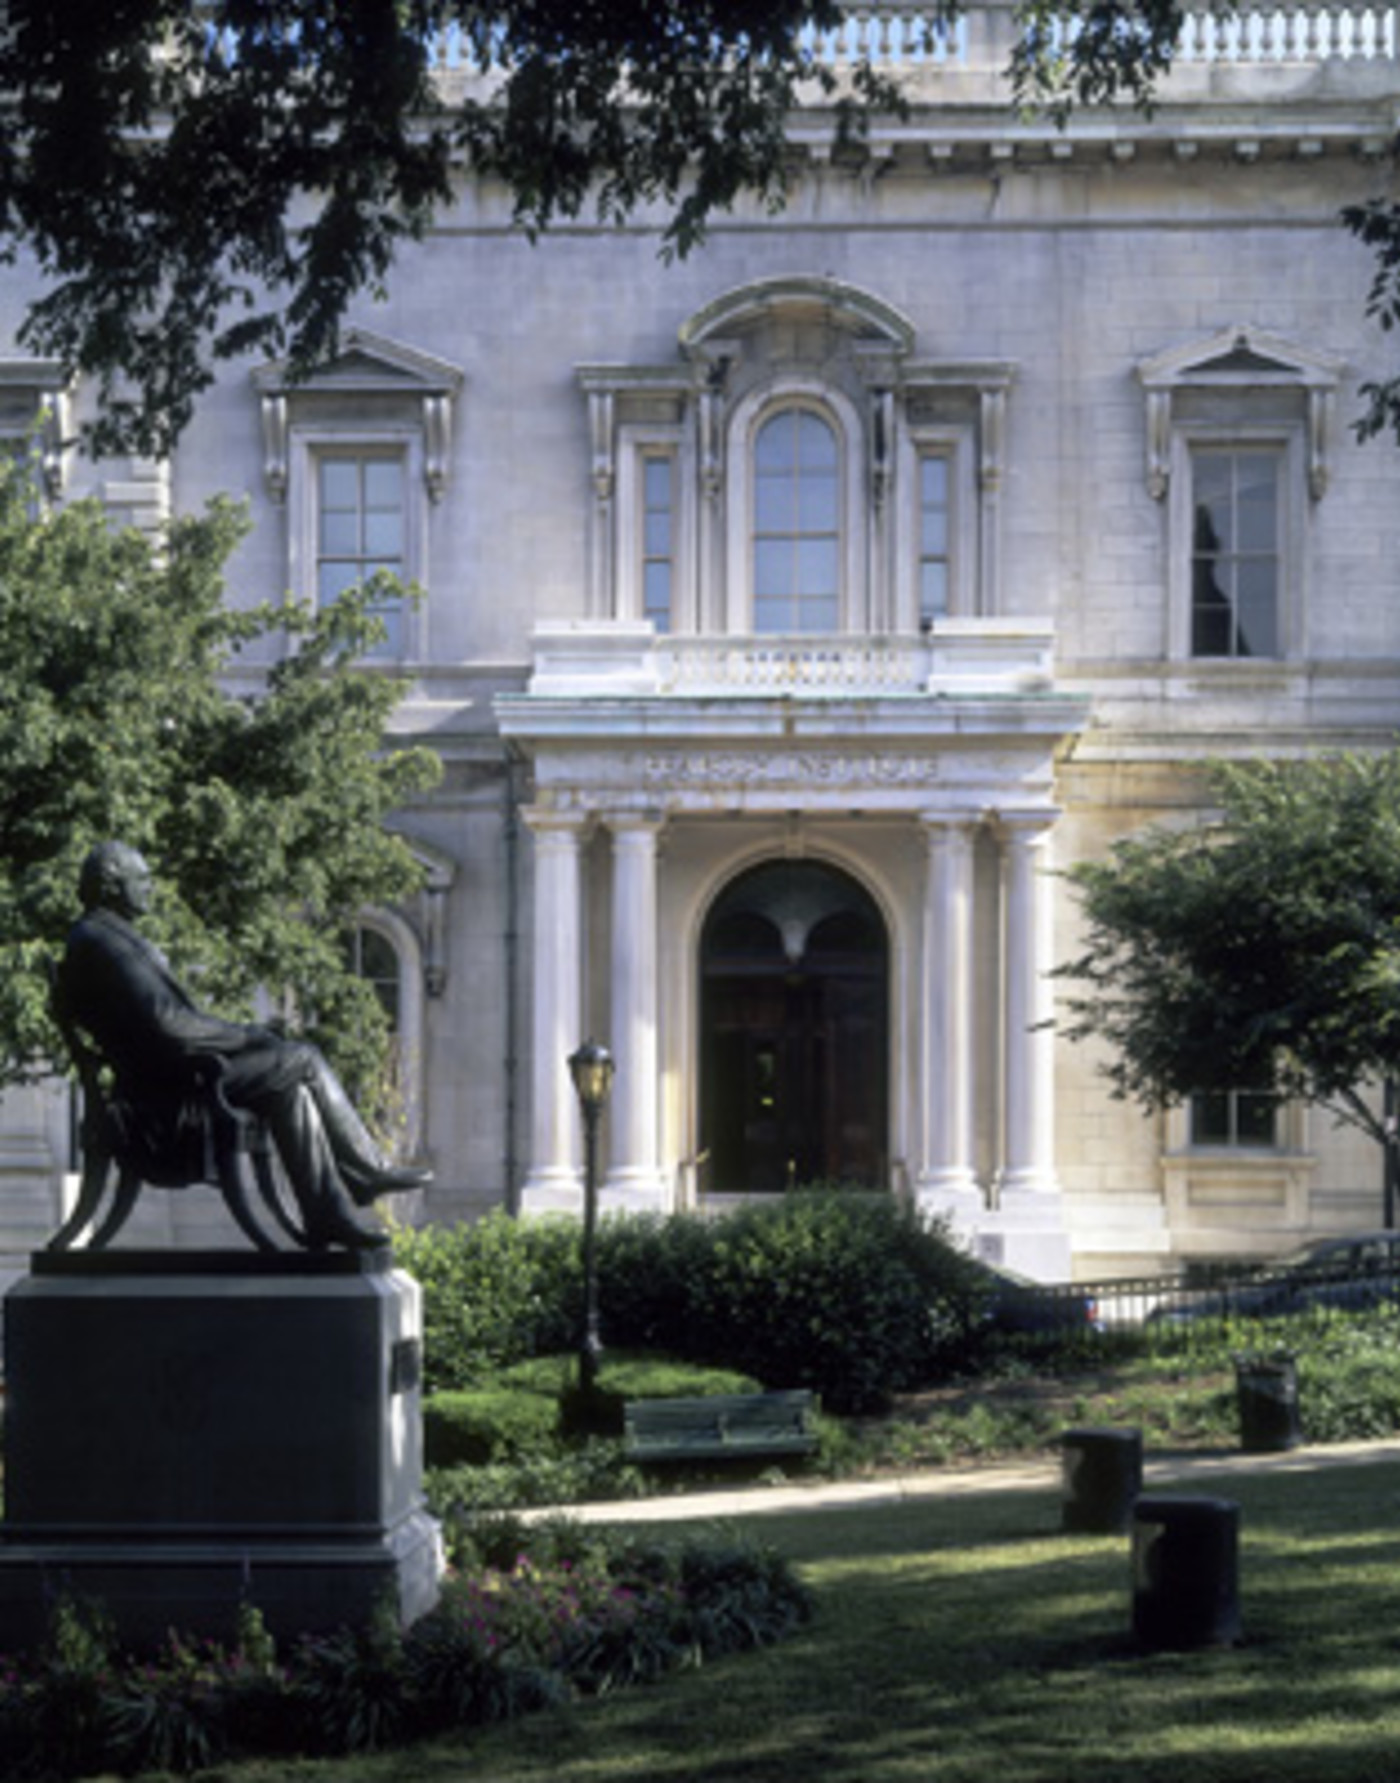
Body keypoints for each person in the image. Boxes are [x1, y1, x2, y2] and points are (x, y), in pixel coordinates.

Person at [55, 840, 431, 1249]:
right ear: (112, 885)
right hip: (165, 1093)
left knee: (294, 1093)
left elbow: (168, 1023)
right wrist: (250, 1036)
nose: (151, 888)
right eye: (141, 879)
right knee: (303, 1059)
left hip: (172, 1077)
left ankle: (328, 1218)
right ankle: (366, 1172)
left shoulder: (105, 937)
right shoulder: (101, 941)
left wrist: (247, 1038)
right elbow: (169, 1024)